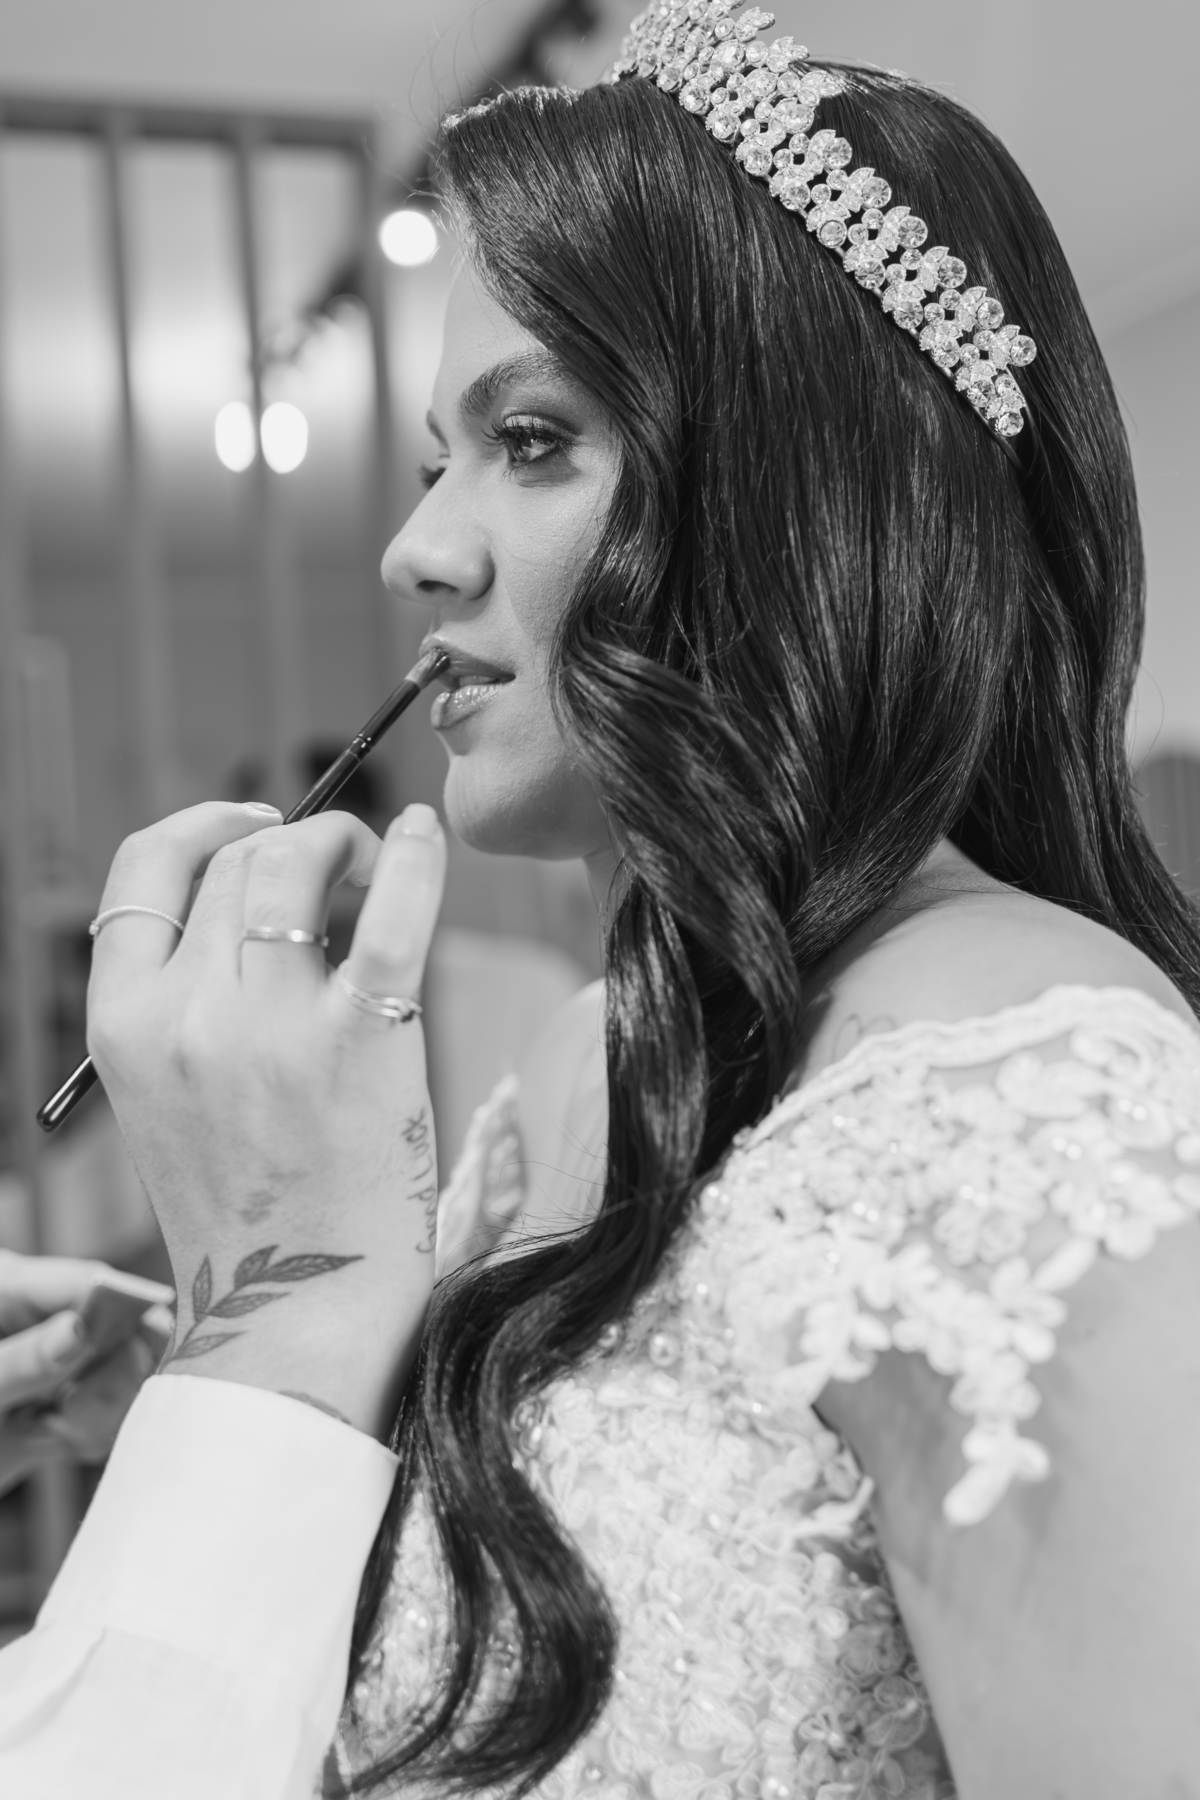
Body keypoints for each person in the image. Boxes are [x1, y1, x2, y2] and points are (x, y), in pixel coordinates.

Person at [3, 10, 1200, 1796]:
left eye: (532, 438)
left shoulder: (1013, 1105)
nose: (418, 547)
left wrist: (287, 1289)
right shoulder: (584, 1064)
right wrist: (243, 1384)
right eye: (439, 457)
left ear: (793, 494)